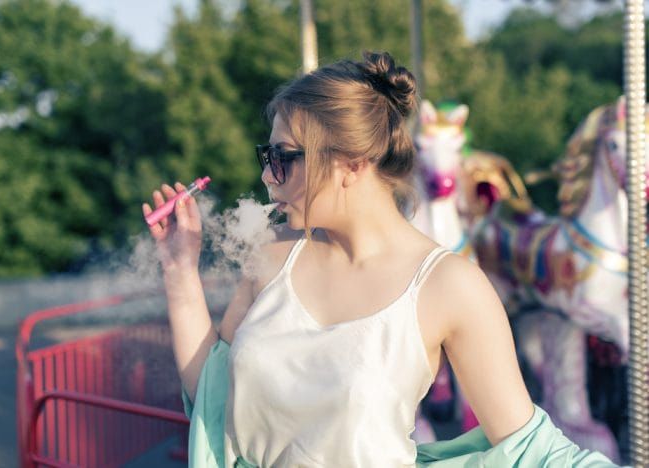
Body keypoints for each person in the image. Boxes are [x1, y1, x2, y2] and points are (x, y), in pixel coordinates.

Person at [143, 52, 620, 467]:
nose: (269, 177)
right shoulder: (270, 261)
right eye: (267, 156)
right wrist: (179, 269)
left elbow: (529, 451)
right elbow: (211, 396)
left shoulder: (450, 286)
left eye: (283, 156)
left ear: (352, 162)